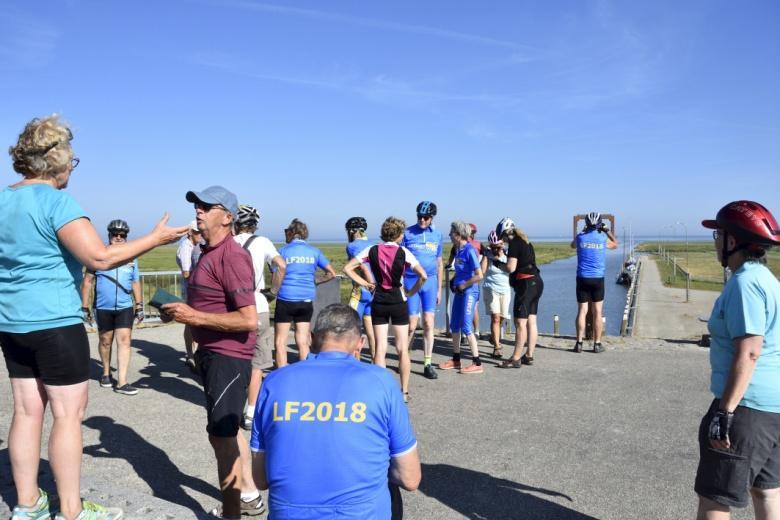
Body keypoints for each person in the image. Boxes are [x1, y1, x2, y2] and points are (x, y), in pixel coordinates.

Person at [0, 115, 186, 520]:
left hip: (12, 324)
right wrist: (156, 238)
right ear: (57, 161)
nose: (72, 168)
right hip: (54, 322)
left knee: (27, 412)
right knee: (68, 415)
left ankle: (27, 505)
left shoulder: (3, 199)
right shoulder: (57, 202)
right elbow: (99, 258)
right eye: (73, 161)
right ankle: (71, 511)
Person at [250, 304, 421, 519]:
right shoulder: (382, 382)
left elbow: (260, 478)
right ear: (360, 343)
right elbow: (410, 478)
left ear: (311, 339)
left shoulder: (274, 382)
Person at [160, 186, 263, 520]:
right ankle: (247, 495)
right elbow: (207, 301)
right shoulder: (206, 251)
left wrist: (194, 317)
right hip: (211, 354)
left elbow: (248, 319)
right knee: (226, 434)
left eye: (207, 206)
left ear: (228, 217)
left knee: (221, 438)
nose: (198, 211)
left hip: (228, 357)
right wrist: (176, 308)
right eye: (197, 206)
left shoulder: (231, 255)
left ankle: (234, 513)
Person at [695, 201, 780, 520]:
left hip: (746, 409)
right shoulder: (768, 280)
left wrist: (725, 412)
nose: (715, 241)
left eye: (718, 234)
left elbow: (750, 349)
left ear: (734, 241)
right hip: (773, 408)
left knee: (715, 498)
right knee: (767, 491)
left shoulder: (745, 284)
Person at [344, 217, 427, 401]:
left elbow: (348, 268)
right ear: (399, 234)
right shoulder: (404, 252)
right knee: (402, 349)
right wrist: (411, 292)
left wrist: (366, 284)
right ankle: (404, 392)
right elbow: (423, 275)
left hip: (379, 300)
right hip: (399, 300)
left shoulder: (371, 249)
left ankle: (380, 392)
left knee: (380, 348)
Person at [233, 204, 286, 431]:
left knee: (233, 358)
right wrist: (273, 291)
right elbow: (281, 266)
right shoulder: (263, 242)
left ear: (235, 223)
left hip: (231, 308)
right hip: (259, 305)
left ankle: (230, 406)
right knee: (257, 364)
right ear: (254, 225)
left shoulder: (227, 242)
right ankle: (250, 412)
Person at [80, 219, 144, 396]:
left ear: (126, 237)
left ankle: (122, 382)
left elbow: (135, 282)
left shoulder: (131, 257)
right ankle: (106, 373)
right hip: (103, 307)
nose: (118, 237)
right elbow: (87, 282)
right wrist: (84, 307)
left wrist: (139, 305)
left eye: (122, 235)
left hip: (124, 306)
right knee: (105, 341)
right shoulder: (99, 254)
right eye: (114, 234)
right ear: (108, 235)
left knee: (124, 341)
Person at [274, 218, 337, 367]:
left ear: (291, 233)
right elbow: (331, 273)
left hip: (285, 298)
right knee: (303, 341)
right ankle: (305, 372)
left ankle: (282, 376)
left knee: (280, 342)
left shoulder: (282, 251)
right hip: (306, 300)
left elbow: (276, 273)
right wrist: (317, 280)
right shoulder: (314, 252)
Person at [494, 218, 544, 368]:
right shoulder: (526, 241)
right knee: (532, 321)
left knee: (520, 323)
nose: (502, 240)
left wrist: (497, 263)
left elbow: (511, 268)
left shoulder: (514, 242)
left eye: (501, 237)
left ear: (504, 233)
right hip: (536, 282)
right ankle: (529, 355)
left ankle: (515, 358)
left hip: (525, 285)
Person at [402, 200, 443, 380]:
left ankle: (427, 362)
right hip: (411, 282)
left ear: (432, 218)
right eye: (420, 217)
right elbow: (399, 259)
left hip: (431, 282)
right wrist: (401, 282)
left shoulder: (438, 235)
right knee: (411, 324)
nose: (422, 220)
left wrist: (440, 289)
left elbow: (439, 262)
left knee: (428, 322)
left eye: (426, 217)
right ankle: (405, 357)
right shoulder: (408, 233)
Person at [438, 221, 484, 374]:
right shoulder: (458, 250)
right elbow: (461, 271)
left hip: (470, 292)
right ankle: (456, 359)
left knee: (465, 326)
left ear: (458, 234)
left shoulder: (470, 251)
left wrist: (463, 285)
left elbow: (479, 275)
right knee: (454, 326)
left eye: (451, 233)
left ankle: (477, 362)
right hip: (459, 292)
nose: (449, 235)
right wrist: (453, 280)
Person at [570, 212, 617, 353]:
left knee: (582, 311)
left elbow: (572, 245)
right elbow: (615, 244)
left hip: (582, 278)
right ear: (598, 224)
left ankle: (579, 343)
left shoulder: (580, 237)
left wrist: (583, 231)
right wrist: (606, 230)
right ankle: (597, 344)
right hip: (597, 279)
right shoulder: (602, 238)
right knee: (597, 312)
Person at [345, 216, 377, 359]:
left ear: (352, 231)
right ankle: (376, 359)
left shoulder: (352, 246)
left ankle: (355, 360)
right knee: (370, 327)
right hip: (374, 293)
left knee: (353, 328)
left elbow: (362, 267)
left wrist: (369, 284)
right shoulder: (374, 244)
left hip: (361, 290)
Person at [176, 220, 202, 371]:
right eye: (197, 232)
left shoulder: (194, 246)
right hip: (191, 291)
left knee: (193, 323)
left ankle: (193, 353)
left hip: (193, 290)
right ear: (190, 232)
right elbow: (186, 272)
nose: (200, 234)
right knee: (191, 322)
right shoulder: (186, 247)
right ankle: (191, 354)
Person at [480, 230, 511, 359]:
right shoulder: (488, 255)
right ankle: (497, 347)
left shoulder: (509, 254)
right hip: (490, 288)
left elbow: (511, 269)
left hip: (505, 289)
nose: (495, 249)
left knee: (503, 317)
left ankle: (494, 337)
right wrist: (486, 255)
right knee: (496, 317)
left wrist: (500, 255)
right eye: (493, 247)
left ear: (503, 244)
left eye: (497, 247)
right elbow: (482, 271)